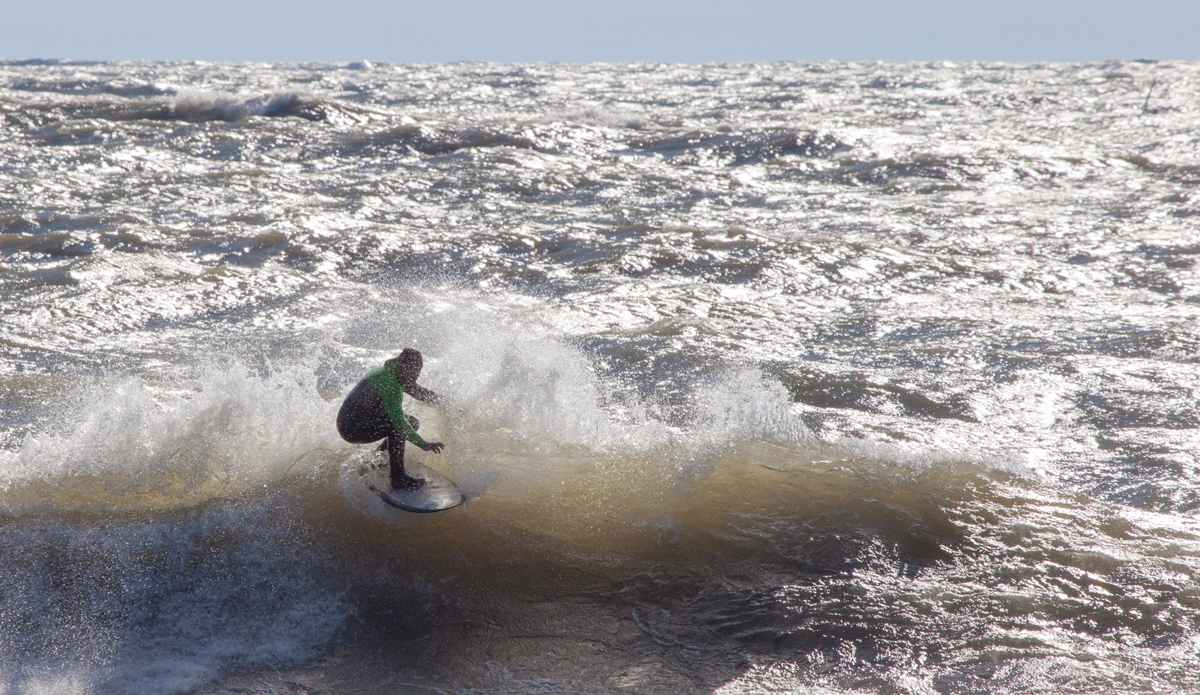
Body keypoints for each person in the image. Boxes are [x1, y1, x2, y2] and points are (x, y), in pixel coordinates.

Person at [336, 348, 445, 490]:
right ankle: (398, 479)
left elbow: (420, 393)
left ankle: (378, 459)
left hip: (364, 419)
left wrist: (444, 404)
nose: (415, 375)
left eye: (418, 371)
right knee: (398, 428)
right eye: (412, 371)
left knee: (411, 422)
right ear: (402, 365)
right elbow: (399, 423)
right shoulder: (389, 382)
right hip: (351, 428)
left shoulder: (397, 372)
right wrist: (424, 445)